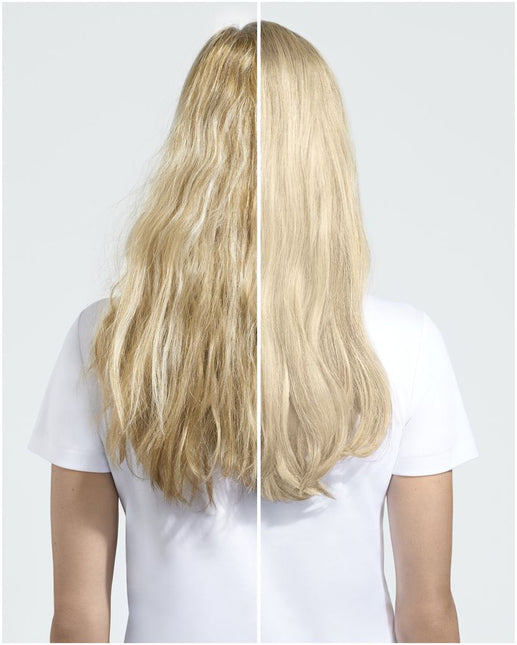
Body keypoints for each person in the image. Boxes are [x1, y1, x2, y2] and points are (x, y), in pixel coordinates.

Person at [27, 19, 479, 644]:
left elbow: (78, 619)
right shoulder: (407, 345)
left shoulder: (111, 340)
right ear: (323, 155)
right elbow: (428, 615)